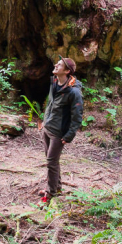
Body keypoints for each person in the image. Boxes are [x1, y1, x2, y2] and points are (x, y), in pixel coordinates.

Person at [37, 57, 84, 204]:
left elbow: (77, 116)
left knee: (51, 162)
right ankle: (56, 188)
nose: (56, 65)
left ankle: (50, 193)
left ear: (67, 71)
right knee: (52, 161)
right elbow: (50, 104)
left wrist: (69, 135)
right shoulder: (55, 82)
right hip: (48, 128)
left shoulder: (74, 92)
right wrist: (44, 121)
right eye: (57, 63)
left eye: (60, 65)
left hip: (59, 133)